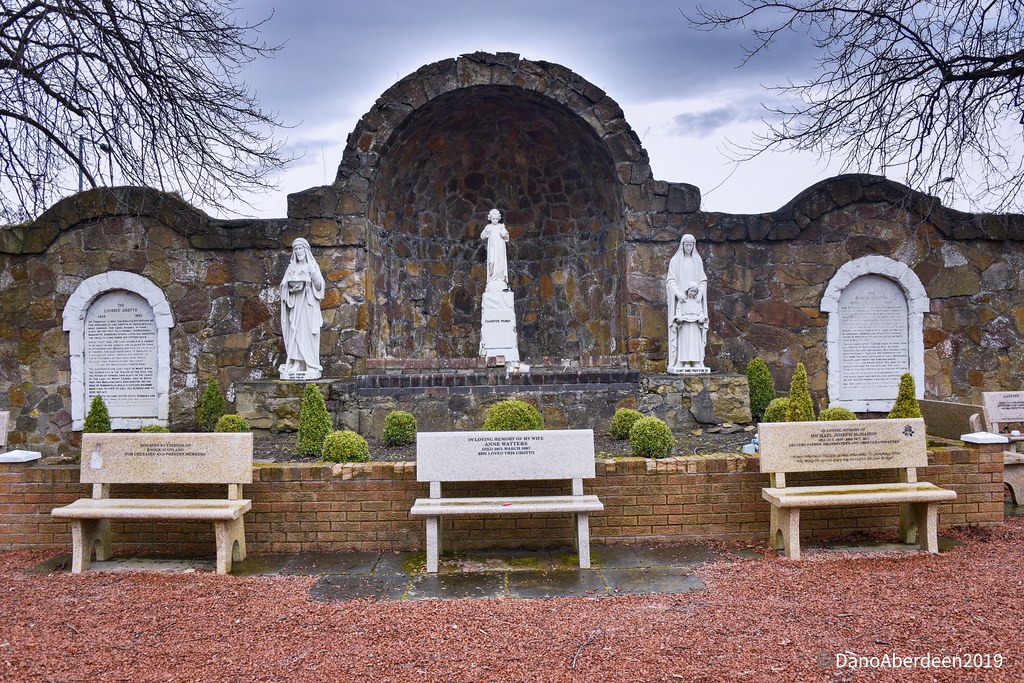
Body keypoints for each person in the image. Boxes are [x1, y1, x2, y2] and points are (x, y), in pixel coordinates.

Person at [279, 238, 325, 376]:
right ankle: (297, 363)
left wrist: (313, 274)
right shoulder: (291, 267)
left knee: (309, 333)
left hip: (308, 304)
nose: (298, 251)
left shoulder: (312, 265)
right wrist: (290, 289)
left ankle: (311, 363)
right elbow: (283, 286)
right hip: (295, 304)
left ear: (306, 250)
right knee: (295, 331)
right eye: (296, 249)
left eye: (301, 248)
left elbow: (319, 286)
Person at [665, 234, 708, 370]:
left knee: (694, 332)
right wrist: (678, 293)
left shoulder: (697, 260)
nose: (688, 247)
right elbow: (670, 280)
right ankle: (680, 360)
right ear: (682, 245)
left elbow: (703, 280)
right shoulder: (675, 260)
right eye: (686, 244)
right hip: (682, 301)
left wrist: (700, 292)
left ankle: (696, 360)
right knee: (682, 331)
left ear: (693, 245)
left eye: (691, 245)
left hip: (694, 302)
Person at [670, 282, 708, 369]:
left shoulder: (697, 302)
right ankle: (686, 361)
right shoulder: (682, 301)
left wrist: (701, 318)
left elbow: (700, 312)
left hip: (695, 325)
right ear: (687, 290)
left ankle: (695, 362)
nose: (693, 293)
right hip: (685, 325)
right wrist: (678, 318)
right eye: (691, 291)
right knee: (685, 343)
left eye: (695, 291)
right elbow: (678, 311)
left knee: (694, 343)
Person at [481, 208, 510, 291]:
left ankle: (499, 278)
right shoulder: (489, 227)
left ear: (499, 218)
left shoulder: (501, 226)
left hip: (500, 248)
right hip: (492, 247)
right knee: (491, 262)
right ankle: (492, 277)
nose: (495, 220)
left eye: (496, 219)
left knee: (500, 263)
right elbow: (482, 236)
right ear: (490, 218)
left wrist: (504, 234)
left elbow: (506, 236)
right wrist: (485, 231)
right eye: (493, 219)